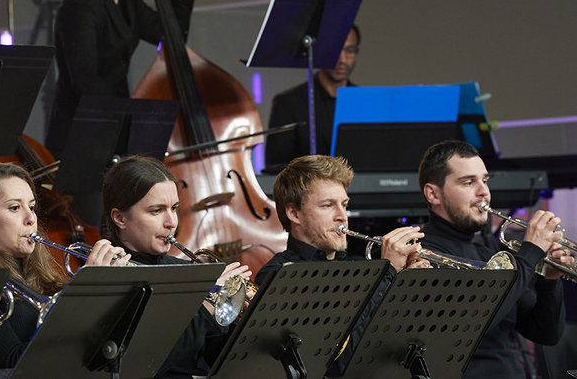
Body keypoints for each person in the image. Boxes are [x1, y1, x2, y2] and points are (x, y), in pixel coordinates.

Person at [0, 162, 127, 375]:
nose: (31, 219)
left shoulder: (40, 277)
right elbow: (13, 364)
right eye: (15, 208)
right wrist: (85, 291)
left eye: (32, 207)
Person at [256, 154, 427, 377]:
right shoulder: (280, 273)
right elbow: (334, 362)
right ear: (294, 213)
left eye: (344, 205)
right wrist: (388, 274)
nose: (342, 216)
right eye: (328, 205)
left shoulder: (361, 269)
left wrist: (408, 286)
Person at [45, 0, 195, 158]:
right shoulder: (81, 3)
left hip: (113, 126)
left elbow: (168, 36)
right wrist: (130, 118)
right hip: (81, 134)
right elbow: (84, 79)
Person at [418, 140, 571, 379]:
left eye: (485, 181)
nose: (484, 192)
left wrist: (549, 281)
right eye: (468, 182)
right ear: (433, 194)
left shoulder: (487, 255)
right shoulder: (422, 253)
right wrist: (530, 252)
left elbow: (546, 334)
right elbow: (472, 323)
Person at [101, 155, 249, 378]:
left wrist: (242, 318)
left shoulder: (186, 271)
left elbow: (217, 359)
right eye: (156, 211)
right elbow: (142, 364)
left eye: (174, 208)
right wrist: (208, 305)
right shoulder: (108, 278)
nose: (172, 222)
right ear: (120, 218)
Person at [264, 25, 360, 174]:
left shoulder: (365, 101)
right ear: (320, 52)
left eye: (349, 50)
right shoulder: (288, 102)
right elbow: (276, 167)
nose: (342, 59)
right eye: (334, 51)